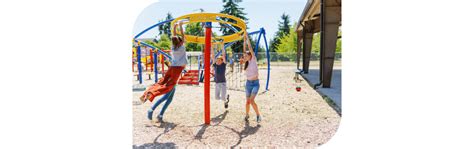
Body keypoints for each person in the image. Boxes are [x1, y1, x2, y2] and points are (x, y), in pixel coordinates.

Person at [140, 21, 188, 104]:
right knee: (169, 86)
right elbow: (181, 36)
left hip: (172, 67)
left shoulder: (173, 47)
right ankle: (151, 94)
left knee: (161, 82)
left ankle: (146, 93)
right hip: (178, 68)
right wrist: (180, 26)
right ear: (180, 42)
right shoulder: (181, 47)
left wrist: (176, 27)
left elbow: (175, 36)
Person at [240, 32, 262, 123]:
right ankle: (247, 115)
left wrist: (247, 37)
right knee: (247, 102)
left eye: (247, 55)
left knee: (252, 100)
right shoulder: (246, 63)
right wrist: (243, 40)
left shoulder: (253, 60)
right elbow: (244, 50)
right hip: (248, 84)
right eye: (245, 56)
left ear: (250, 56)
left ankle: (258, 115)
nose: (245, 56)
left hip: (255, 83)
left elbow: (249, 48)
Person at [212, 43, 230, 109]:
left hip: (223, 83)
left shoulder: (223, 65)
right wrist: (211, 46)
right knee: (216, 98)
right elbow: (213, 56)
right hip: (217, 83)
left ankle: (226, 100)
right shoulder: (215, 65)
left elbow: (224, 55)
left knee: (223, 98)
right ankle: (225, 98)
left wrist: (222, 46)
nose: (218, 61)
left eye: (219, 60)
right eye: (217, 61)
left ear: (222, 61)